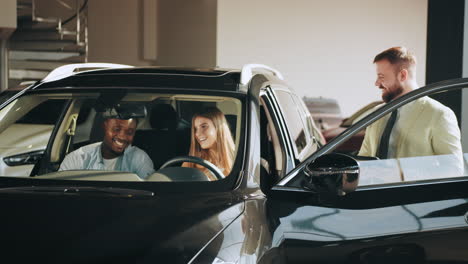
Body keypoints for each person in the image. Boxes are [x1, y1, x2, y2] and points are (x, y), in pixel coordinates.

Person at [359, 47, 462, 162]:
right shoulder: (377, 113)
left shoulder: (439, 114)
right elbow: (364, 160)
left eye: (381, 77)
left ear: (402, 75)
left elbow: (453, 169)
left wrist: (401, 174)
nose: (377, 83)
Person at [59, 117, 154, 179]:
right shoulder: (78, 158)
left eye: (129, 132)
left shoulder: (140, 158)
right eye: (116, 129)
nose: (122, 137)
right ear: (105, 127)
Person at [182, 107, 235, 180]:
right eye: (196, 129)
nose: (197, 134)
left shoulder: (240, 160)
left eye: (204, 126)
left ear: (219, 128)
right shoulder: (190, 163)